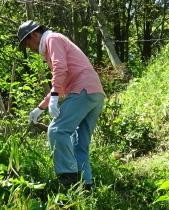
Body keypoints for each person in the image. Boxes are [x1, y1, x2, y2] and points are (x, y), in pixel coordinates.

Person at [18, 20, 105, 189]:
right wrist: (41, 107)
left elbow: (60, 69)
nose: (30, 49)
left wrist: (56, 97)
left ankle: (68, 179)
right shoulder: (54, 44)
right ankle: (86, 186)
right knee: (79, 144)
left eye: (28, 44)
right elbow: (62, 82)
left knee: (57, 130)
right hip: (94, 94)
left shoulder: (53, 39)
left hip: (82, 90)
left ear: (35, 35)